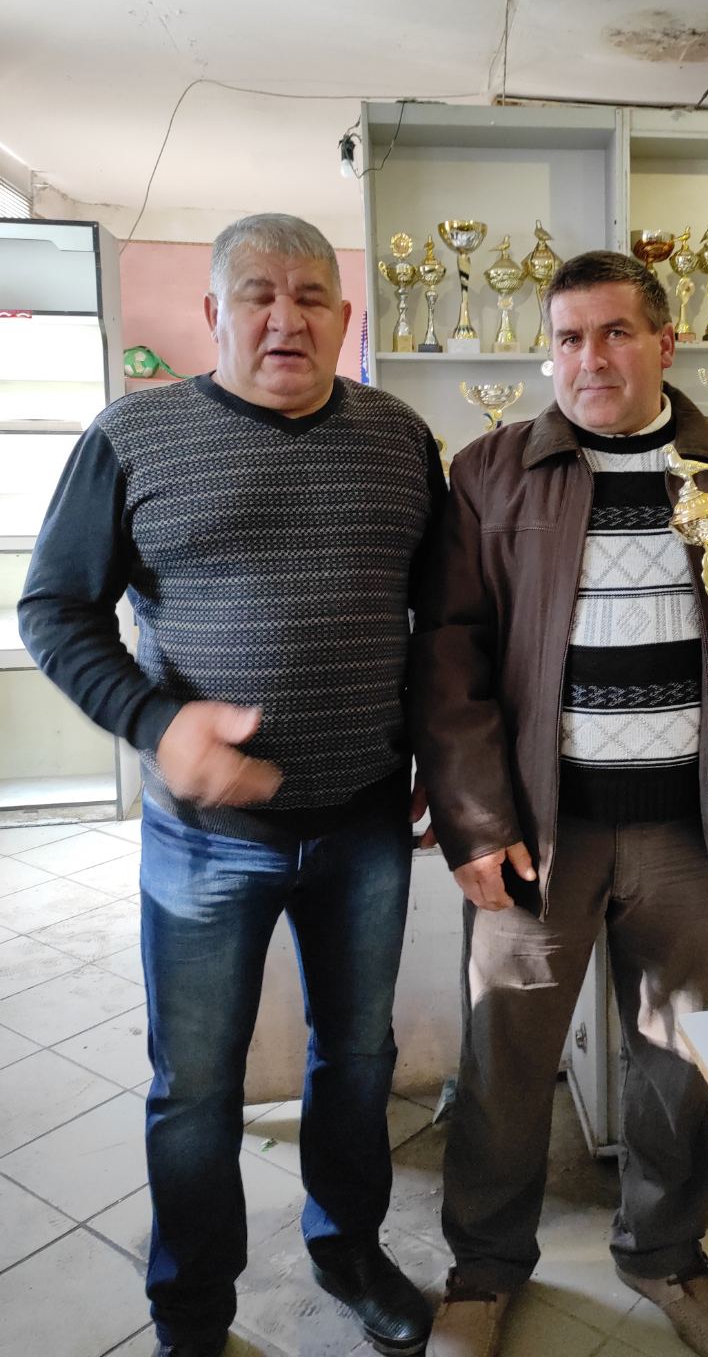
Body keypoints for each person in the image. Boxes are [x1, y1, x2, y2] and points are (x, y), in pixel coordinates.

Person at [18, 214, 444, 1357]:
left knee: (358, 1056)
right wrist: (158, 724)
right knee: (196, 1086)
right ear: (214, 312)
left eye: (312, 296)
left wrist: (438, 754)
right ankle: (194, 1308)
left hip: (364, 820)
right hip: (204, 837)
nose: (285, 317)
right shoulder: (134, 435)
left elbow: (444, 616)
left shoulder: (401, 440)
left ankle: (347, 1246)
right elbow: (53, 608)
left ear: (345, 318)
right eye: (258, 293)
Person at [409, 249, 708, 1357]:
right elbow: (449, 654)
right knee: (505, 1061)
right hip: (537, 833)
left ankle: (665, 1253)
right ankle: (484, 1269)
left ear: (664, 343)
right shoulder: (492, 471)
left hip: (689, 827)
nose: (589, 358)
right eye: (568, 338)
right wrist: (474, 822)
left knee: (673, 1058)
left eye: (614, 333)